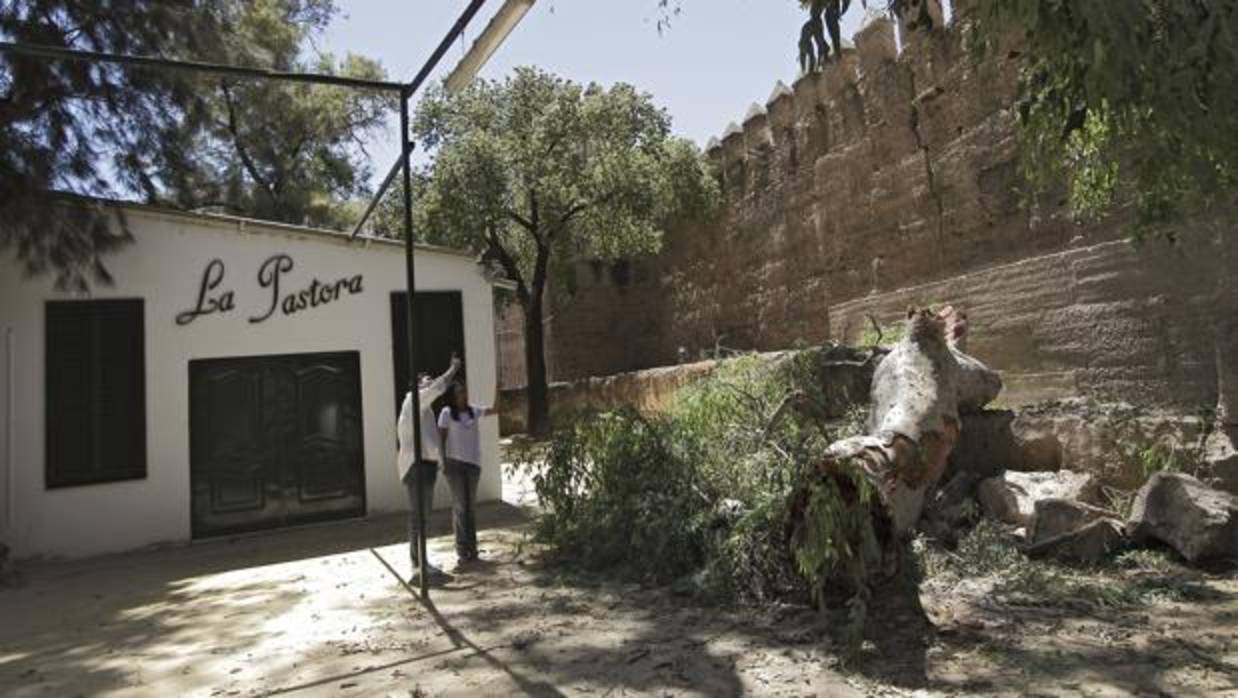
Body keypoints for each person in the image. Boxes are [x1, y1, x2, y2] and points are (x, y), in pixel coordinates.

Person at [396, 354, 461, 583]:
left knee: (421, 517)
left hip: (424, 467)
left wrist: (440, 463)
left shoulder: (423, 409)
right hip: (417, 467)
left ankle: (421, 562)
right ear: (417, 385)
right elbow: (438, 387)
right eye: (426, 381)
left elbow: (430, 442)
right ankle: (418, 565)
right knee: (418, 517)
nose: (430, 383)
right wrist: (452, 368)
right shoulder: (414, 399)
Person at [437, 380, 497, 567]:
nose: (462, 395)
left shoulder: (473, 410)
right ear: (453, 396)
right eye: (458, 392)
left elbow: (495, 409)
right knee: (460, 507)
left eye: (464, 391)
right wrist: (443, 462)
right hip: (454, 465)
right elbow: (441, 439)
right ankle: (462, 550)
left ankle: (472, 548)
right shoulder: (447, 413)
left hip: (472, 465)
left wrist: (497, 387)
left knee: (470, 507)